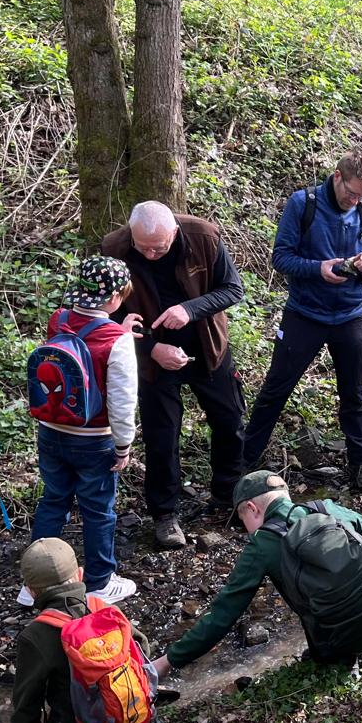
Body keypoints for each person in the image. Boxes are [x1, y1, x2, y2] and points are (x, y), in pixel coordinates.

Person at [152, 471, 362, 674]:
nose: (246, 529)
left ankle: (342, 658)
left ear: (252, 508)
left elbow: (222, 616)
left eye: (243, 520)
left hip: (335, 642)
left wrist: (168, 661)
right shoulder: (327, 510)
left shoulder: (261, 544)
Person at [102, 201, 246, 550]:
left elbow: (232, 289)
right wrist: (151, 349)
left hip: (207, 346)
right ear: (132, 235)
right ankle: (165, 515)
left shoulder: (204, 237)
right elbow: (108, 316)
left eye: (160, 248)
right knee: (161, 436)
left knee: (229, 421)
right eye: (144, 247)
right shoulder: (115, 249)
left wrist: (189, 309)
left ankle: (229, 495)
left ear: (175, 234)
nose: (151, 255)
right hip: (153, 358)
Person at [242, 154, 362, 493]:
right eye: (351, 193)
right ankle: (243, 460)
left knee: (354, 392)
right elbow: (281, 257)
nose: (355, 201)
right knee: (276, 388)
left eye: (361, 196)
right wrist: (319, 268)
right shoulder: (303, 203)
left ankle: (361, 465)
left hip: (350, 314)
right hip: (304, 312)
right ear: (337, 177)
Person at [26, 255, 140, 605]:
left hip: (51, 430)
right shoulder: (118, 342)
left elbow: (80, 341)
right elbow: (121, 403)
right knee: (98, 509)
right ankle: (100, 582)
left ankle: (33, 585)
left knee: (53, 501)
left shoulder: (58, 320)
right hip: (94, 440)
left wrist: (120, 330)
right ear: (117, 297)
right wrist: (124, 446)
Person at [10, 537, 153, 723]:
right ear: (79, 574)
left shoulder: (35, 636)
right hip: (128, 712)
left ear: (31, 591)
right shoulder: (106, 609)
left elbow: (26, 701)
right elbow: (142, 647)